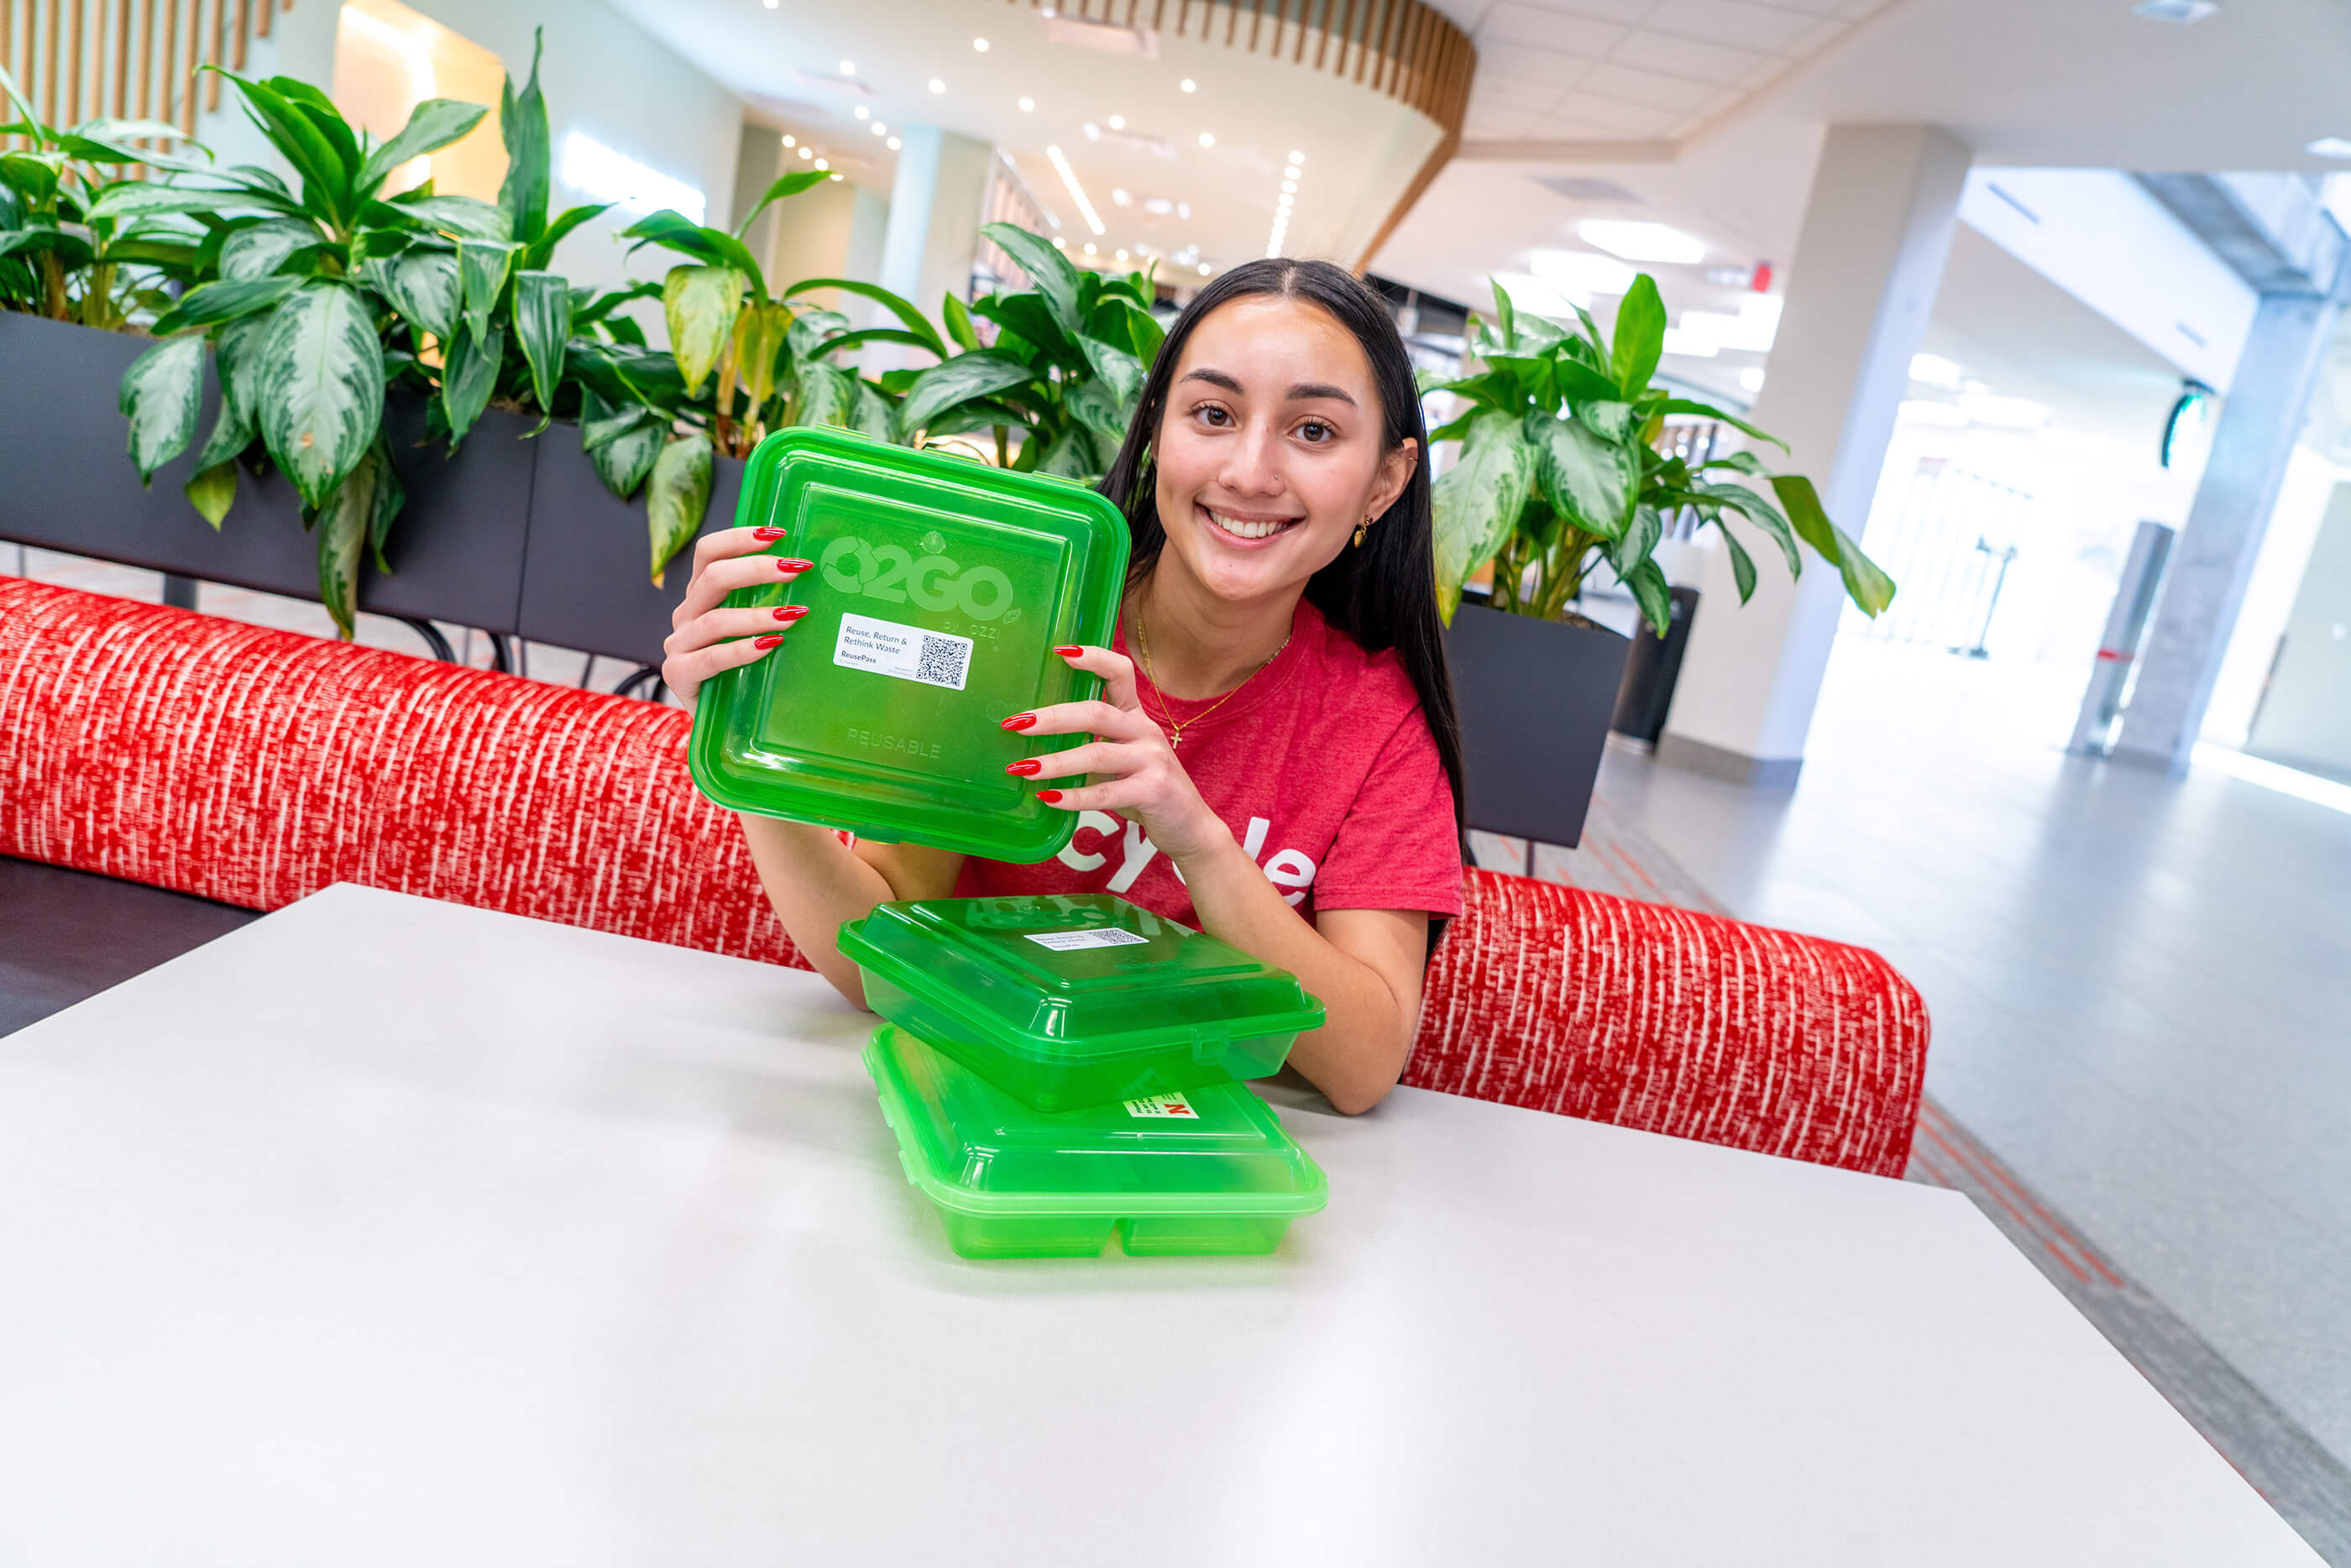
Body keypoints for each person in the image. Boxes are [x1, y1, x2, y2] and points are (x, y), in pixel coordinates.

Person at [659, 259, 1465, 1114]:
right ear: (1157, 432)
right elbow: (874, 955)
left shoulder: (1378, 724)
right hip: (953, 1109)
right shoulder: (1018, 610)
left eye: (1313, 431)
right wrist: (745, 730)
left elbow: (1364, 1063)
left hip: (1190, 1158)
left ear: (1384, 480)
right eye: (1214, 414)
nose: (1251, 471)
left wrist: (1194, 837)